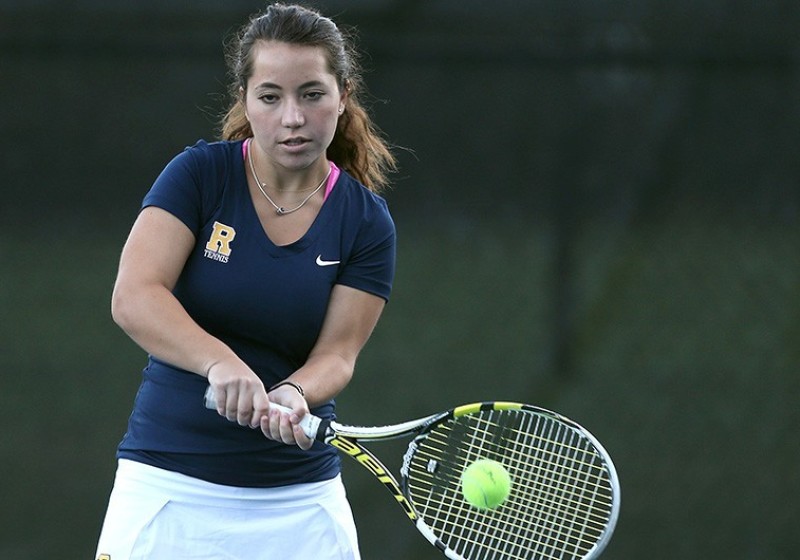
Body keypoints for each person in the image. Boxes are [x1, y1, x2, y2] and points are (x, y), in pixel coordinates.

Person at [94, 3, 398, 559]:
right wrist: (219, 362)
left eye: (312, 94)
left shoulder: (366, 221)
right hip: (169, 487)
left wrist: (295, 392)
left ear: (343, 96)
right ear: (245, 100)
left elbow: (338, 355)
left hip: (301, 506)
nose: (293, 118)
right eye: (270, 97)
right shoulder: (199, 174)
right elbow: (135, 296)